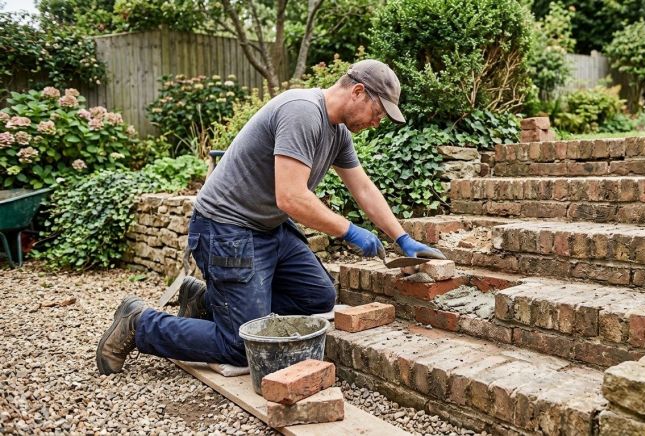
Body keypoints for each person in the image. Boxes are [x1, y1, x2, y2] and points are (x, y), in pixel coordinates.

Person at [96, 59, 446, 374]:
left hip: (268, 228)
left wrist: (401, 238)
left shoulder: (337, 132)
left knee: (317, 297)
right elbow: (292, 197)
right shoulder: (302, 112)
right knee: (243, 345)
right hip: (227, 228)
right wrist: (350, 231)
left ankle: (206, 301)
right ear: (358, 91)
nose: (377, 120)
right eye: (378, 111)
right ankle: (139, 323)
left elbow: (363, 188)